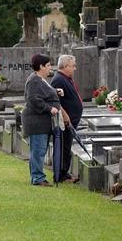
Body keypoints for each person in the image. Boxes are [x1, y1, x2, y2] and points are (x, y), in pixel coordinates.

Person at [22, 53, 60, 186]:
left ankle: (37, 176)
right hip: (36, 122)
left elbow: (43, 93)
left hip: (42, 122)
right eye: (48, 65)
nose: (50, 68)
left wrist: (56, 92)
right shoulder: (34, 80)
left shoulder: (41, 79)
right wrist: (49, 108)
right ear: (41, 66)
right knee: (38, 151)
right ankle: (38, 178)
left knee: (40, 150)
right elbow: (33, 99)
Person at [50, 54, 82, 183]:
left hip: (70, 120)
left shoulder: (65, 79)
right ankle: (60, 175)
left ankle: (64, 173)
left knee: (67, 147)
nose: (75, 68)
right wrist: (64, 115)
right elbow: (55, 101)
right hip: (64, 121)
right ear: (65, 66)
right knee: (63, 147)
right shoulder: (58, 80)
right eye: (73, 66)